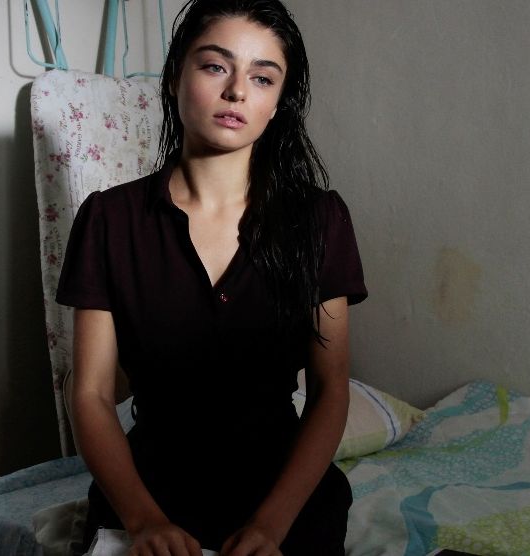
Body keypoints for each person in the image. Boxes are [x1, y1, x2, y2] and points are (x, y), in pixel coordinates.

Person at [56, 0, 367, 555]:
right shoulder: (109, 220)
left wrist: (271, 526)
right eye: (215, 66)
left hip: (285, 496)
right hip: (149, 492)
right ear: (176, 75)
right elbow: (92, 395)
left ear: (278, 102)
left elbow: (330, 391)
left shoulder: (320, 220)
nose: (237, 91)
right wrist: (144, 521)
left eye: (263, 77)